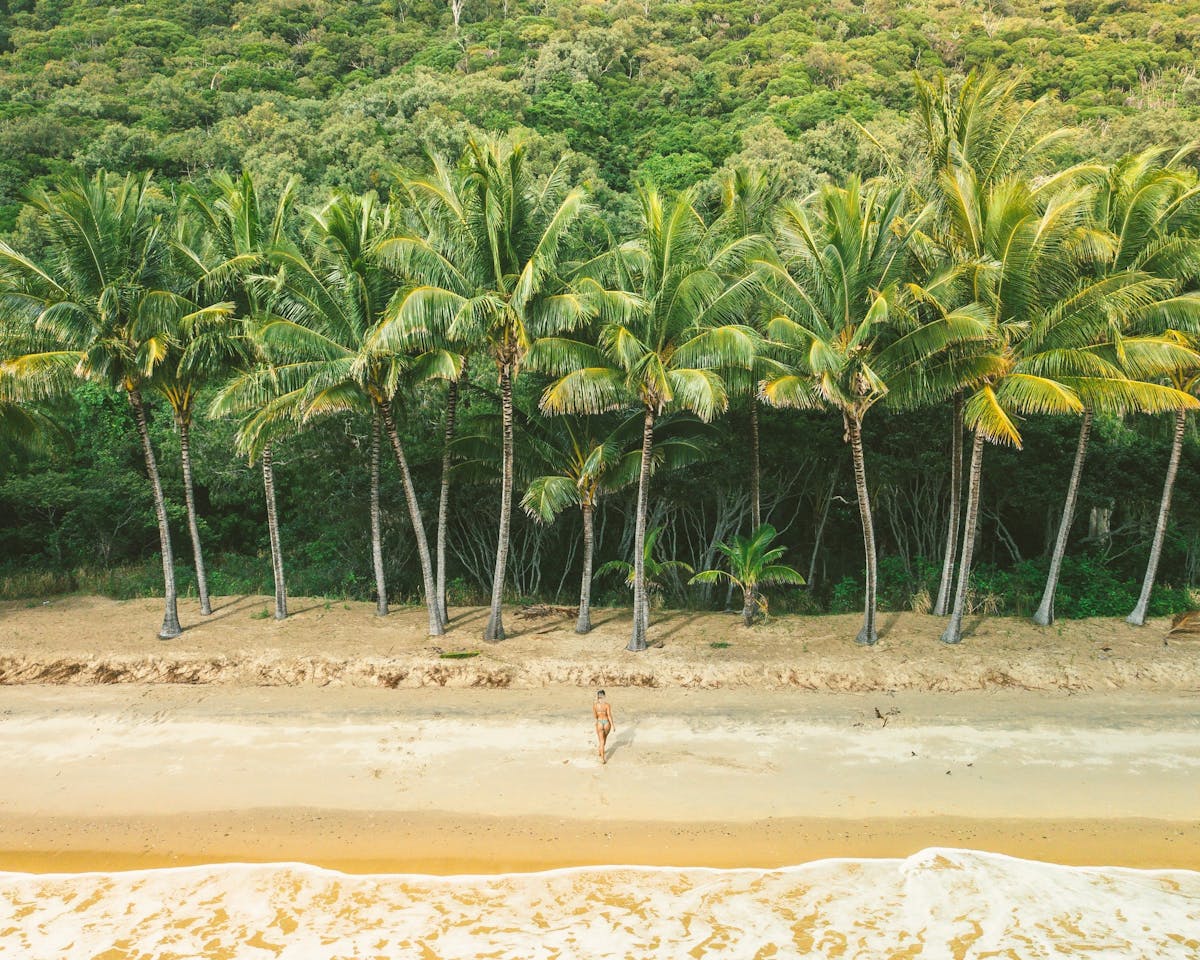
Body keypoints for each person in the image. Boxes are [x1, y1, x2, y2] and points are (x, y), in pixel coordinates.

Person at [592, 690, 614, 764]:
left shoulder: (595, 705)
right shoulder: (607, 705)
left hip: (599, 723)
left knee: (601, 741)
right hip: (607, 722)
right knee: (604, 739)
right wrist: (613, 726)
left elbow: (595, 716)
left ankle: (602, 758)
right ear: (604, 696)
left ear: (598, 697)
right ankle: (600, 751)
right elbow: (609, 716)